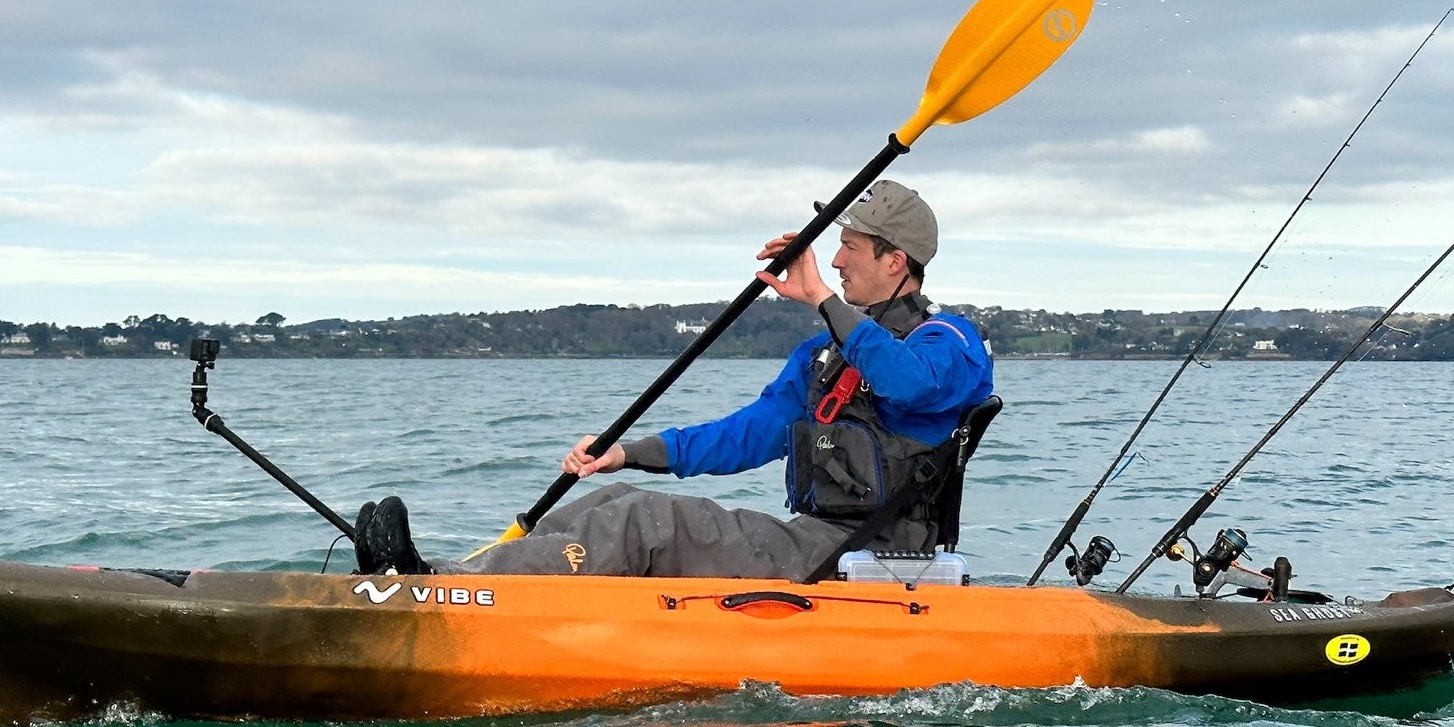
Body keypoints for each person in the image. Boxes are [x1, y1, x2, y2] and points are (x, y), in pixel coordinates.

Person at [352, 180, 994, 581]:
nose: (833, 257)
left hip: (858, 557)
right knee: (606, 501)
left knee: (643, 525)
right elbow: (744, 436)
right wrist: (628, 454)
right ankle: (449, 580)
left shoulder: (951, 341)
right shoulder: (822, 358)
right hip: (815, 541)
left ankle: (440, 590)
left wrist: (821, 296)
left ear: (895, 260)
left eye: (850, 244)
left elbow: (908, 384)